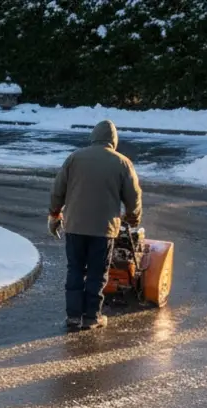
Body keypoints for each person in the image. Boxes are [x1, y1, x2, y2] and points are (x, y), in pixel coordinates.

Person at [48, 120, 143, 330]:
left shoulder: (74, 158)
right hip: (104, 229)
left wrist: (55, 214)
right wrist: (133, 218)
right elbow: (134, 196)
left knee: (75, 269)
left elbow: (58, 190)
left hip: (74, 227)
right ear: (113, 141)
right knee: (97, 273)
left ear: (93, 137)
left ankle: (73, 316)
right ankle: (92, 317)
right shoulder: (122, 163)